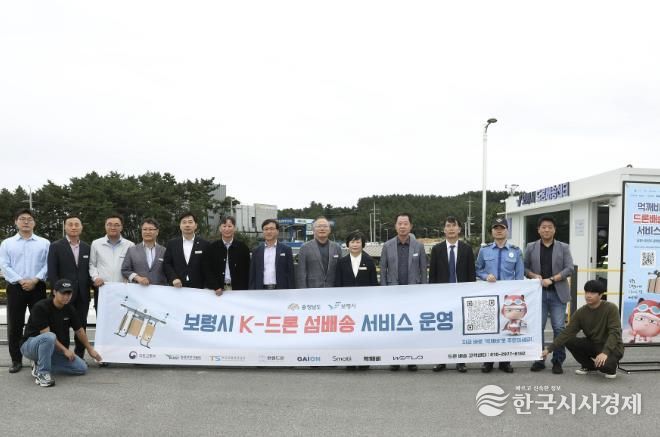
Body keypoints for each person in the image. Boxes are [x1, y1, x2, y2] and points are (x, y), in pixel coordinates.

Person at [19, 279, 103, 387]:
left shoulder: (70, 309)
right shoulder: (41, 307)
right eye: (63, 293)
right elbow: (46, 334)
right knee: (49, 336)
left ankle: (39, 364)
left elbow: (79, 330)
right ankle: (42, 374)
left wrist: (90, 349)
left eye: (69, 293)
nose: (66, 296)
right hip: (30, 346)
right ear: (54, 292)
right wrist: (65, 350)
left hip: (52, 348)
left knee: (81, 368)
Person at [0, 209, 50, 374]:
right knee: (15, 325)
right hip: (16, 287)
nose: (26, 222)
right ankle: (16, 360)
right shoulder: (7, 243)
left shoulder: (44, 243)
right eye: (22, 219)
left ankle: (37, 358)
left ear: (34, 223)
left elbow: (48, 265)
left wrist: (35, 280)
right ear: (16, 222)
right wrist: (21, 281)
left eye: (29, 219)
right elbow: (4, 265)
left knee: (38, 323)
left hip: (38, 286)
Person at [541, 280, 623, 379]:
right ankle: (589, 366)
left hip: (613, 347)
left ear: (601, 295)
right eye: (587, 292)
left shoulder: (611, 308)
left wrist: (605, 352)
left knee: (605, 367)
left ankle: (610, 366)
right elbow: (567, 332)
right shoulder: (581, 312)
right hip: (593, 344)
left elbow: (615, 332)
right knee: (569, 340)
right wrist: (548, 349)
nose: (588, 295)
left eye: (592, 293)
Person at [525, 215, 574, 374]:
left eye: (549, 227)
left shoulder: (563, 247)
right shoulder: (531, 247)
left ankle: (557, 361)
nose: (546, 230)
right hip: (537, 295)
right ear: (538, 230)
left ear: (554, 230)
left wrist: (552, 279)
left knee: (558, 327)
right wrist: (534, 276)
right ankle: (539, 359)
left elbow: (569, 268)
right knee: (537, 327)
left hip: (557, 294)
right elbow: (524, 268)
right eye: (543, 227)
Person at [475, 217, 524, 373]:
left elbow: (519, 276)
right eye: (496, 228)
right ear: (492, 231)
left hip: (509, 298)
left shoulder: (516, 251)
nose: (499, 231)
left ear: (507, 231)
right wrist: (485, 276)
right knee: (489, 327)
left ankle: (505, 361)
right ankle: (488, 361)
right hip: (489, 296)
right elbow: (477, 269)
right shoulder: (484, 250)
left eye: (502, 228)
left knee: (507, 327)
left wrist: (517, 296)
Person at [380, 213, 427, 371]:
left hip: (413, 293)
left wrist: (423, 290)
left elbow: (423, 270)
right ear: (395, 226)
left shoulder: (418, 246)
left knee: (412, 325)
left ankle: (412, 359)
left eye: (405, 223)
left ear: (411, 226)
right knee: (394, 327)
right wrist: (384, 291)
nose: (402, 226)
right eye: (399, 223)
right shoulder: (387, 246)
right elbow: (383, 270)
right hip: (393, 293)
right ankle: (395, 358)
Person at [429, 216, 475, 373]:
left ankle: (460, 360)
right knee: (442, 329)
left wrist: (469, 296)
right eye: (448, 226)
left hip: (461, 296)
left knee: (459, 328)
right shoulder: (437, 249)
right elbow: (432, 276)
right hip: (442, 297)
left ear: (459, 229)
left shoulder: (467, 249)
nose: (451, 229)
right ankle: (440, 360)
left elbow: (471, 275)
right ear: (444, 229)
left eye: (454, 226)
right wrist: (434, 297)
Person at [47, 215, 92, 359]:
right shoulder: (56, 246)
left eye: (76, 224)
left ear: (81, 227)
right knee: (61, 327)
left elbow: (89, 271)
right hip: (63, 295)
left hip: (82, 295)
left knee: (81, 326)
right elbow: (52, 272)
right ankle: (61, 356)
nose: (73, 227)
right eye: (70, 224)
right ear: (65, 227)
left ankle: (79, 356)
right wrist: (57, 293)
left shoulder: (87, 247)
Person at [335, 230, 377, 371]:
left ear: (362, 244)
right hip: (347, 305)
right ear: (347, 244)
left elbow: (373, 284)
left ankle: (364, 359)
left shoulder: (369, 261)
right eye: (352, 242)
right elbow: (338, 284)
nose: (355, 244)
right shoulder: (341, 262)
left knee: (364, 333)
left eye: (358, 242)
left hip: (365, 304)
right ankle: (350, 360)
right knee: (349, 332)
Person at [89, 214, 134, 313]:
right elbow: (92, 264)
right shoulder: (96, 244)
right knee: (102, 317)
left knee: (122, 319)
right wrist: (96, 278)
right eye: (109, 224)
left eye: (117, 225)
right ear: (105, 226)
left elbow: (132, 267)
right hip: (102, 289)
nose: (113, 227)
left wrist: (130, 279)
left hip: (124, 290)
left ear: (121, 227)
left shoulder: (130, 245)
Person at [203, 215, 251, 295]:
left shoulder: (243, 247)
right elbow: (207, 269)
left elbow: (247, 270)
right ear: (220, 228)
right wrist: (215, 286)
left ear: (234, 228)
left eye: (229, 226)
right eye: (224, 226)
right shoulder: (212, 247)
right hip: (217, 291)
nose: (227, 229)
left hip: (238, 290)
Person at [163, 212, 208, 289]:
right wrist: (173, 278)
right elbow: (167, 264)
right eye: (184, 222)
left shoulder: (205, 244)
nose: (187, 225)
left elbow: (208, 266)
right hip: (177, 287)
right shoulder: (172, 244)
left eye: (190, 222)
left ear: (196, 225)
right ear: (180, 226)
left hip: (199, 288)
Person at [296, 217, 342, 289]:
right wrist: (303, 291)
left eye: (325, 226)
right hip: (312, 289)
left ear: (329, 230)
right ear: (313, 230)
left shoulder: (337, 247)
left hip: (333, 289)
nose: (322, 229)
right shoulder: (305, 248)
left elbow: (340, 272)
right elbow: (301, 273)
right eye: (319, 226)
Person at [249, 219, 295, 290]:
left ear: (277, 231)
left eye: (271, 229)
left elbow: (290, 273)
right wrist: (252, 290)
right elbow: (253, 274)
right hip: (261, 289)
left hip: (281, 290)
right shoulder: (256, 251)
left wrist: (291, 291)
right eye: (266, 229)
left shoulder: (286, 250)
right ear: (263, 231)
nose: (269, 232)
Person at [121, 218, 167, 286]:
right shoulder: (132, 250)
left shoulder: (164, 251)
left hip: (159, 290)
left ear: (157, 232)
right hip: (138, 289)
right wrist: (137, 278)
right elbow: (125, 270)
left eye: (151, 229)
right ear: (141, 231)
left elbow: (169, 271)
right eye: (145, 229)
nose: (147, 232)